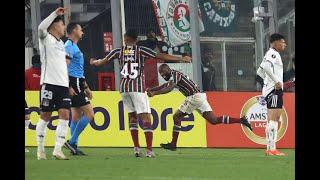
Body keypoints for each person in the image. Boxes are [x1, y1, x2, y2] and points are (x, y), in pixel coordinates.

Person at [90, 29, 191, 158]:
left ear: (125, 38)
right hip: (137, 88)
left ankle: (136, 149)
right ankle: (149, 150)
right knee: (146, 118)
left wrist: (93, 61)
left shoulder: (118, 51)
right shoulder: (140, 50)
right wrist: (181, 58)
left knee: (132, 117)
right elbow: (160, 56)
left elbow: (101, 62)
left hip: (124, 89)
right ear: (136, 39)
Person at [146, 64, 252, 151]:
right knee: (213, 120)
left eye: (164, 74)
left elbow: (169, 88)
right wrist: (152, 89)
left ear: (168, 70)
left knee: (176, 117)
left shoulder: (175, 74)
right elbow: (165, 86)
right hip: (200, 96)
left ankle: (173, 144)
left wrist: (155, 94)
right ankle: (241, 120)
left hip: (194, 97)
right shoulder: (174, 75)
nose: (163, 76)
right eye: (161, 75)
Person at [36, 7, 71, 160]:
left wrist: (68, 85)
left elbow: (62, 66)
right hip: (49, 83)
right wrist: (55, 14)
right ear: (55, 25)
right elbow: (40, 27)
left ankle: (57, 149)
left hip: (62, 86)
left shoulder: (61, 44)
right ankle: (40, 148)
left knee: (65, 115)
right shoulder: (45, 38)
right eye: (62, 24)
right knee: (45, 115)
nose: (64, 27)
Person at [63, 23, 94, 156]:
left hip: (77, 82)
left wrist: (86, 87)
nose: (82, 32)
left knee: (76, 116)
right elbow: (64, 67)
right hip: (73, 82)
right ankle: (72, 141)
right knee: (90, 115)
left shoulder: (73, 46)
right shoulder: (69, 46)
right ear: (74, 30)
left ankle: (74, 146)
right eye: (81, 29)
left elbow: (78, 70)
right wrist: (69, 86)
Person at [257, 33, 289, 156]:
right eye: (283, 42)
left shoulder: (270, 53)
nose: (284, 44)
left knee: (272, 119)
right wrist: (276, 82)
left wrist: (266, 84)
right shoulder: (273, 53)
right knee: (274, 119)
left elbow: (259, 71)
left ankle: (270, 148)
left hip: (270, 90)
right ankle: (272, 149)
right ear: (276, 42)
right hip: (274, 91)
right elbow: (265, 67)